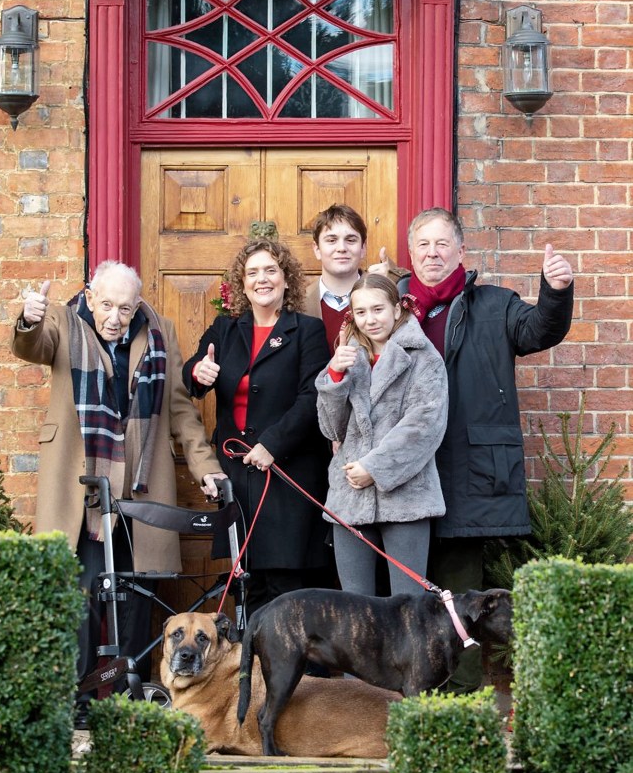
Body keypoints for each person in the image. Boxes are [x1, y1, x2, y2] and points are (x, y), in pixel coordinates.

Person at [11, 261, 225, 720]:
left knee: (134, 595)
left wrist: (206, 466)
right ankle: (82, 700)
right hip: (82, 485)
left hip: (142, 488)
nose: (115, 316)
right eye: (107, 305)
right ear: (90, 297)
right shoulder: (62, 320)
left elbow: (181, 409)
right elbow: (34, 346)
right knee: (85, 595)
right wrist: (28, 318)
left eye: (125, 308)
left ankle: (129, 701)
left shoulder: (160, 329)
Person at [379, 207, 574, 690]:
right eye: (423, 245)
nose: (432, 253)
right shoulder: (391, 308)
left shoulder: (494, 304)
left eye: (443, 244)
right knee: (398, 596)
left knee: (459, 596)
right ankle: (396, 700)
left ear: (462, 252)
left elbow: (539, 331)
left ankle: (458, 699)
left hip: (466, 474)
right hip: (400, 474)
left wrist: (556, 291)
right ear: (411, 254)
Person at [183, 238, 333, 614]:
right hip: (238, 477)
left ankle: (301, 674)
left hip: (288, 475)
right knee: (247, 585)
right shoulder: (224, 329)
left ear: (286, 280)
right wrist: (199, 372)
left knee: (290, 593)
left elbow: (313, 397)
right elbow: (193, 373)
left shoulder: (308, 331)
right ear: (242, 283)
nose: (261, 279)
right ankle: (249, 672)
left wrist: (272, 444)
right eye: (253, 273)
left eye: (271, 271)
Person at [315, 273, 448, 597]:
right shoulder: (349, 356)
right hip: (350, 497)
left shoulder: (423, 357)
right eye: (361, 312)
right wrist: (334, 376)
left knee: (409, 606)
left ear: (396, 308)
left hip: (406, 497)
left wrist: (373, 468)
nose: (370, 319)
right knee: (355, 606)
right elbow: (332, 430)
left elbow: (424, 426)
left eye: (378, 309)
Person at [304, 203, 368, 355]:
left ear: (363, 248)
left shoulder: (384, 295)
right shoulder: (299, 304)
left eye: (351, 240)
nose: (341, 248)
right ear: (317, 249)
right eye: (331, 240)